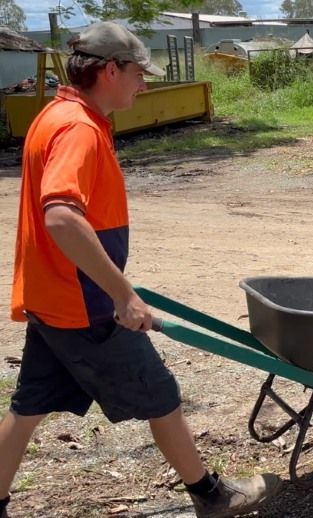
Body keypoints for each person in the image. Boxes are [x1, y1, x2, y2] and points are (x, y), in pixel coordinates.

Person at [0, 22, 281, 518]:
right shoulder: (79, 129)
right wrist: (122, 294)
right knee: (161, 394)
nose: (143, 85)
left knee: (28, 408)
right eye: (137, 73)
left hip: (52, 296)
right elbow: (62, 216)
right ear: (110, 69)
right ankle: (213, 497)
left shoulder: (56, 114)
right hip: (84, 305)